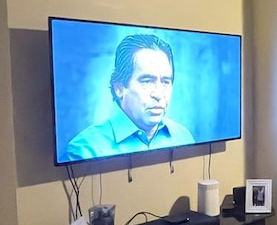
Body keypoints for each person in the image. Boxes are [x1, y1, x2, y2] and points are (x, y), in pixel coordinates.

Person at [64, 33, 195, 160]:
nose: (159, 94)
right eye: (147, 81)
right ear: (119, 88)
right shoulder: (85, 150)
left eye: (166, 81)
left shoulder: (183, 136)